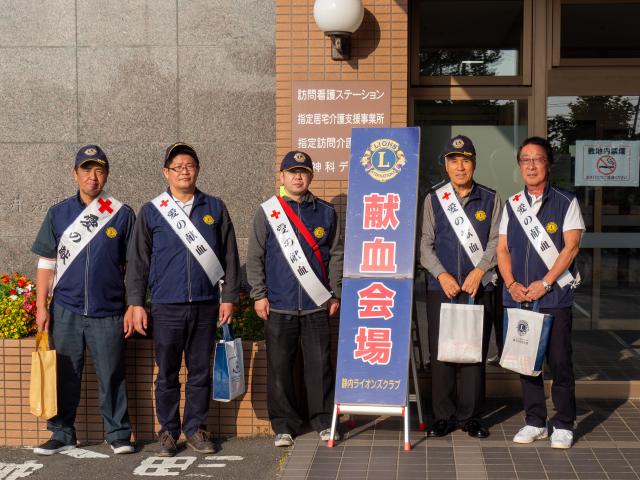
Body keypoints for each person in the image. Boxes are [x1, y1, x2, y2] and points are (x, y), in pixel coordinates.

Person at [125, 143, 241, 456]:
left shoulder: (214, 207)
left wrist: (229, 297)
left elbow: (230, 256)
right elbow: (138, 261)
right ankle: (167, 431)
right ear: (166, 172)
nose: (184, 171)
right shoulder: (151, 210)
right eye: (177, 166)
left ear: (197, 169)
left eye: (189, 165)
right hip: (166, 306)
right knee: (167, 373)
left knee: (200, 371)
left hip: (206, 305)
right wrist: (136, 302)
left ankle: (196, 429)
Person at [31, 145, 135, 455]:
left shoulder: (122, 213)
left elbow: (132, 267)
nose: (93, 176)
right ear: (75, 174)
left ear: (106, 175)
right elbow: (46, 263)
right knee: (65, 373)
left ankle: (117, 434)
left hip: (109, 310)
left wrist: (131, 305)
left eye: (99, 169)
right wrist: (41, 305)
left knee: (112, 373)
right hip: (66, 309)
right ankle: (62, 433)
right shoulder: (58, 213)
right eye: (87, 169)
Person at [246, 151, 343, 447]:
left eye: (303, 172)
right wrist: (259, 294)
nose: (298, 177)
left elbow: (337, 254)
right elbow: (255, 257)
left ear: (311, 177)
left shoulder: (326, 212)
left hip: (317, 305)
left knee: (320, 366)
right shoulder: (268, 212)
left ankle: (324, 421)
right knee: (280, 368)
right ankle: (284, 425)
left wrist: (334, 292)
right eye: (292, 172)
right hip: (279, 304)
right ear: (282, 177)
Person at [497, 136, 584, 449]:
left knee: (560, 362)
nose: (531, 165)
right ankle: (535, 421)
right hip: (520, 297)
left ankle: (563, 422)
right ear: (519, 165)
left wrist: (545, 283)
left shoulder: (566, 201)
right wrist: (511, 284)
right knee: (526, 361)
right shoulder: (512, 205)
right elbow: (502, 249)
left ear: (548, 163)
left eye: (537, 159)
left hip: (553, 297)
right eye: (525, 160)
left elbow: (571, 247)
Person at [419, 135, 501, 439]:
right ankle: (443, 415)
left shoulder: (492, 198)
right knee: (442, 353)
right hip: (442, 287)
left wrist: (480, 270)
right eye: (453, 160)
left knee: (473, 352)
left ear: (474, 163)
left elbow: (496, 241)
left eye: (465, 160)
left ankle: (471, 416)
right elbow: (425, 244)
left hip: (479, 287)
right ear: (446, 164)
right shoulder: (434, 198)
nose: (460, 166)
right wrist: (441, 274)